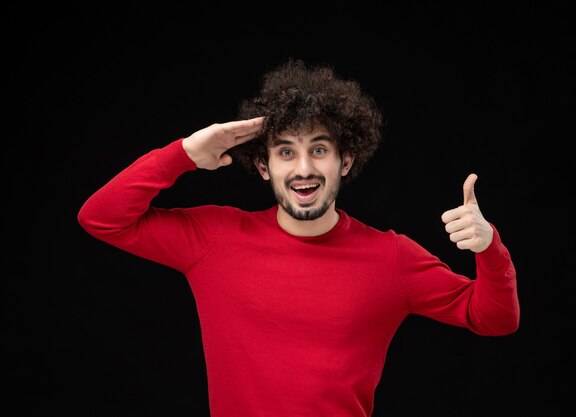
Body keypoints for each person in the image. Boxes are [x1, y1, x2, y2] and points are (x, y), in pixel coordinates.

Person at [77, 59, 520, 417]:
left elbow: (494, 318)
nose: (303, 168)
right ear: (264, 167)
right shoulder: (214, 239)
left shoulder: (392, 258)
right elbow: (101, 218)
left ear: (345, 161)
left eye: (319, 150)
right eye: (286, 151)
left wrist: (489, 248)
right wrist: (184, 154)